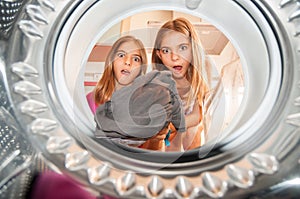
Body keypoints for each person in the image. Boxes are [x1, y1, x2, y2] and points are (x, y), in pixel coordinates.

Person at [86, 35, 185, 151]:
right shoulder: (91, 101)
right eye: (121, 55)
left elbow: (150, 154)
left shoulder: (148, 106)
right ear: (111, 61)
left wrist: (157, 138)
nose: (128, 62)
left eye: (136, 59)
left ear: (140, 69)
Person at [152, 17, 212, 151]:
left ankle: (192, 165)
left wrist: (176, 125)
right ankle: (172, 167)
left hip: (189, 125)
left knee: (192, 131)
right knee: (170, 137)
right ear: (159, 55)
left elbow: (197, 116)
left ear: (193, 49)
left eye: (182, 48)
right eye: (166, 51)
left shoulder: (198, 78)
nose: (174, 57)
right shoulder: (158, 83)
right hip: (170, 129)